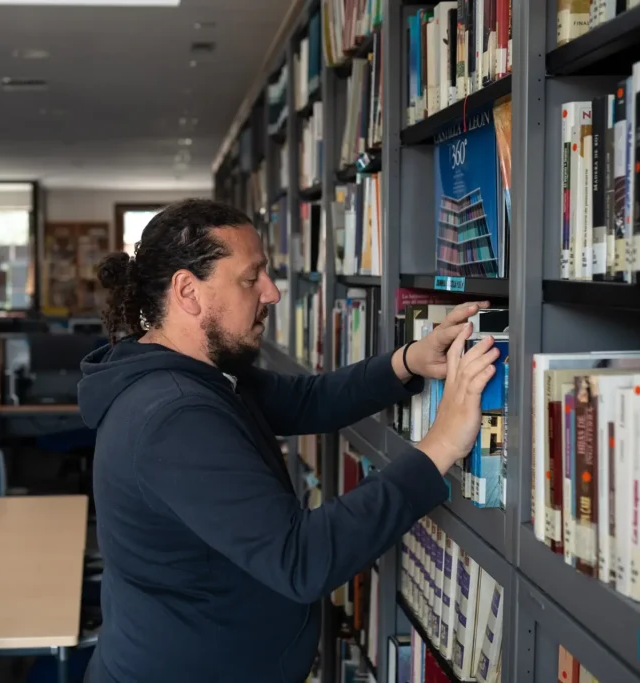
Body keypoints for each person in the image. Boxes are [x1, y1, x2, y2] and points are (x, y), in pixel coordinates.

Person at [77, 199, 499, 683]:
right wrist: (441, 444)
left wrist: (408, 360)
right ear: (188, 292)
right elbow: (303, 560)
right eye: (250, 278)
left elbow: (306, 400)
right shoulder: (175, 416)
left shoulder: (191, 374)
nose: (273, 293)